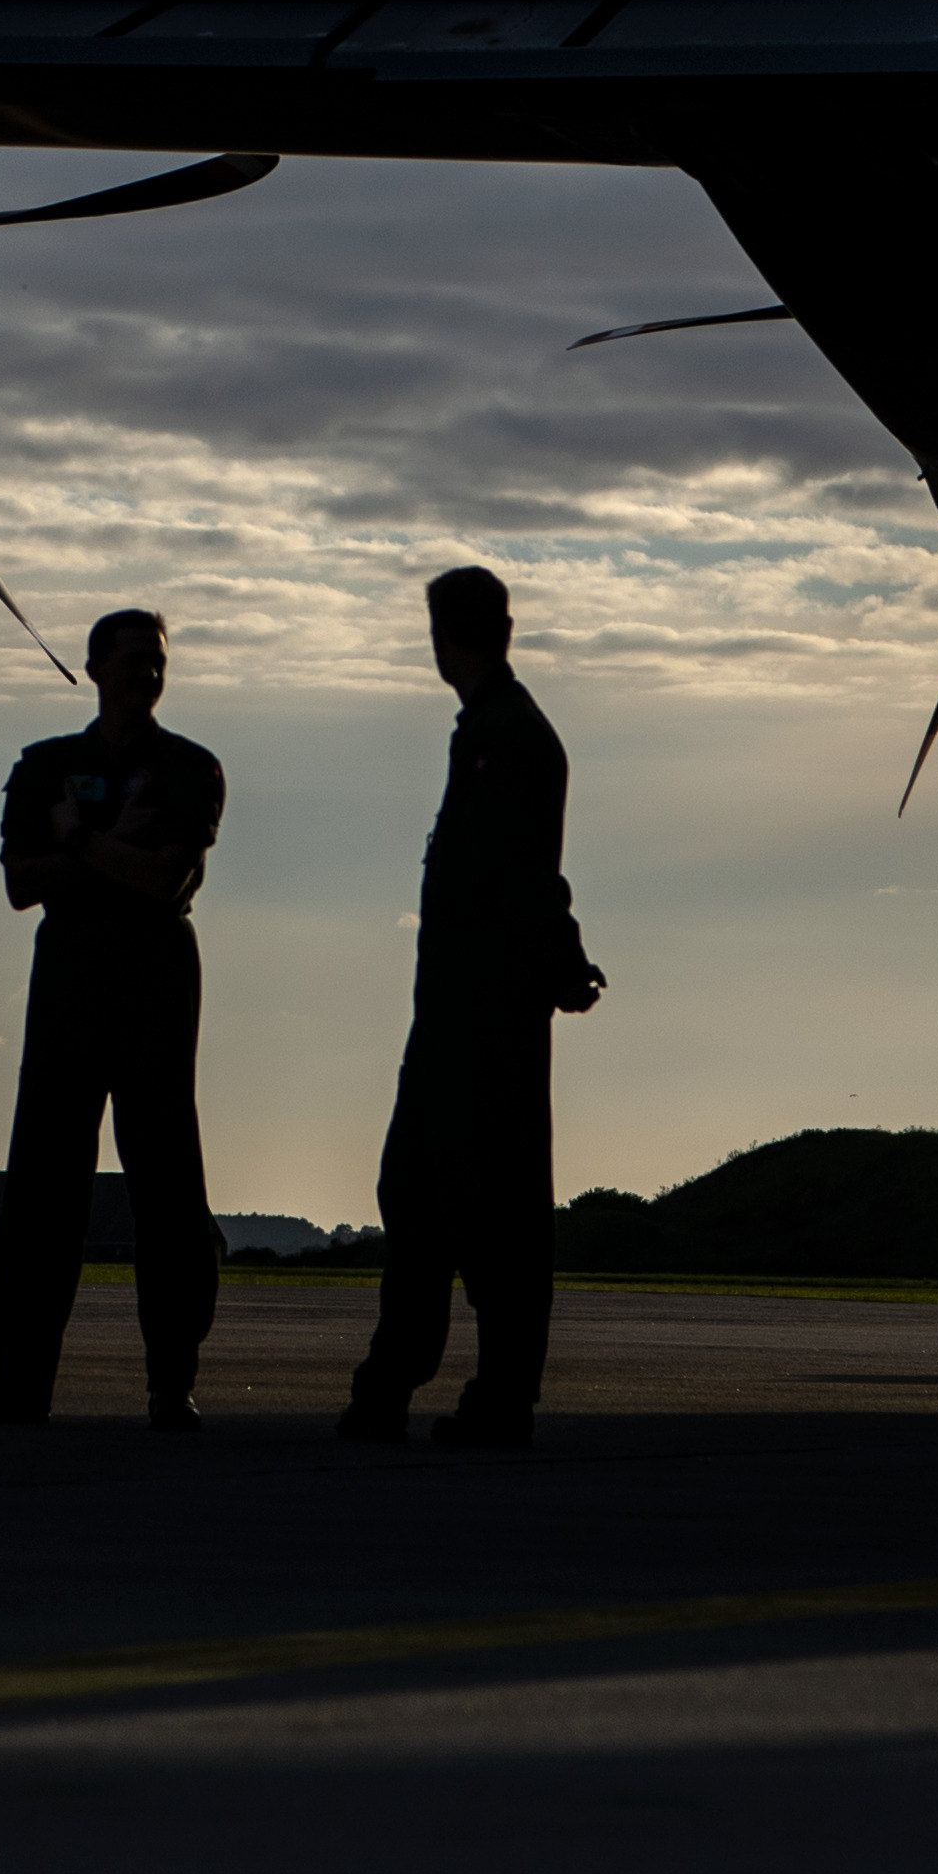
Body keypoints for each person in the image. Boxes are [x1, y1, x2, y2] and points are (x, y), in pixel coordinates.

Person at [341, 563, 602, 1451]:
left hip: (479, 1017)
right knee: (431, 1196)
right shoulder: (503, 730)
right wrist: (561, 963)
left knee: (479, 1207)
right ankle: (411, 1384)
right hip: (466, 1012)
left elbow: (520, 872)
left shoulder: (505, 736)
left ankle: (472, 1393)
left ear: (438, 639)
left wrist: (558, 961)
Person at [0, 608, 228, 1433]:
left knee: (168, 1186)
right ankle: (21, 1377)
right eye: (133, 659)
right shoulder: (45, 766)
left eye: (157, 661)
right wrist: (114, 851)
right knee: (43, 1185)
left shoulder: (189, 768)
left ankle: (172, 1380)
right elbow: (19, 885)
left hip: (154, 984)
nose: (148, 674)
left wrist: (76, 842)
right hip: (70, 982)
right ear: (95, 667)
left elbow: (165, 881)